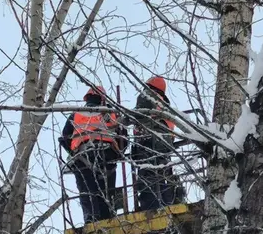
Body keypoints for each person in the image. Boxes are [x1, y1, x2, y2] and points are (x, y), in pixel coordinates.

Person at [59, 85, 126, 223]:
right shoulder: (111, 114)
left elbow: (65, 136)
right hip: (106, 156)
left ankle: (91, 219)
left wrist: (73, 151)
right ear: (103, 99)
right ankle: (107, 218)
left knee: (87, 190)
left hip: (81, 157)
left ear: (88, 98)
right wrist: (119, 152)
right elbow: (123, 138)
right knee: (106, 190)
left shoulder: (76, 114)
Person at [129, 76, 186, 211]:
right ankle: (167, 203)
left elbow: (137, 114)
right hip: (165, 145)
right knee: (163, 174)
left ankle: (151, 207)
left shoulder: (147, 96)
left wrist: (124, 119)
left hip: (149, 142)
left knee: (148, 174)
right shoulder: (165, 106)